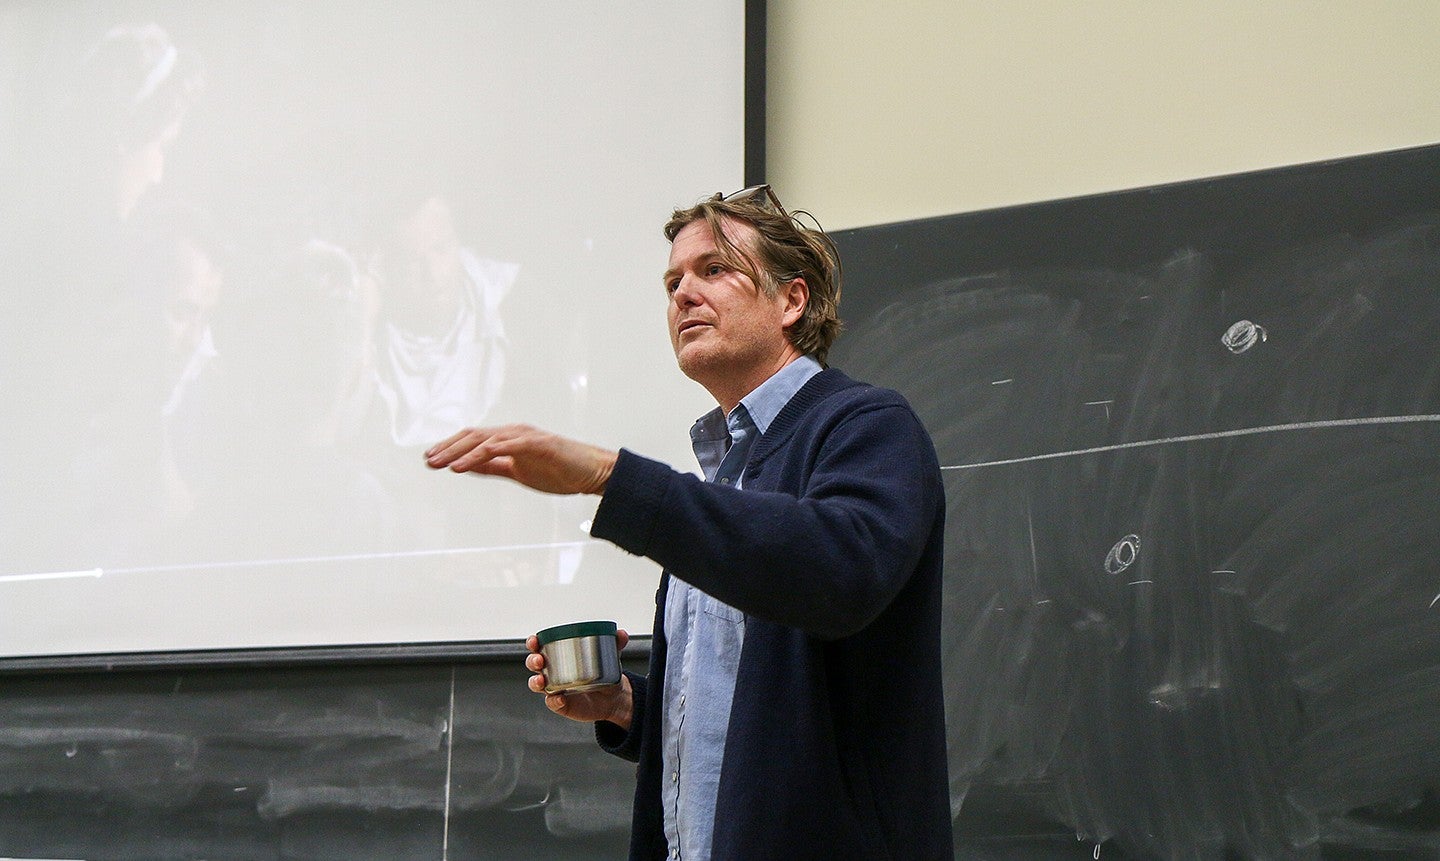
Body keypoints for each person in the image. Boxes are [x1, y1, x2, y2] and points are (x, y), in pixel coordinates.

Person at [425, 186, 952, 859]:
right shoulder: (722, 476)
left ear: (792, 300)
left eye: (714, 270)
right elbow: (740, 724)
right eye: (673, 280)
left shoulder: (867, 426)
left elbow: (838, 572)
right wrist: (624, 706)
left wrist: (609, 476)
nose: (681, 294)